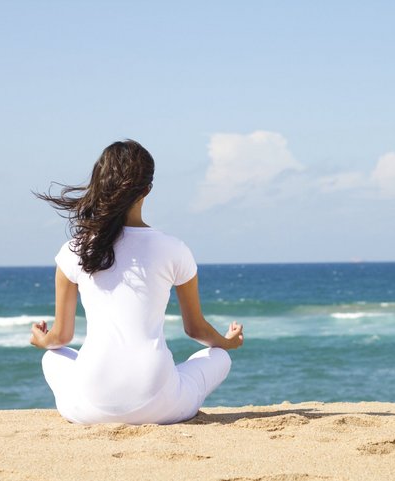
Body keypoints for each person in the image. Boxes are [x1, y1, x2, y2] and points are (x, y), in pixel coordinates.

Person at [30, 139, 243, 425]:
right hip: (161, 406)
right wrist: (226, 343)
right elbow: (195, 329)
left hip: (90, 409)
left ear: (98, 184)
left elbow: (62, 337)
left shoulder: (74, 251)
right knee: (219, 357)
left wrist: (43, 339)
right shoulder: (174, 249)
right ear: (147, 190)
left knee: (52, 357)